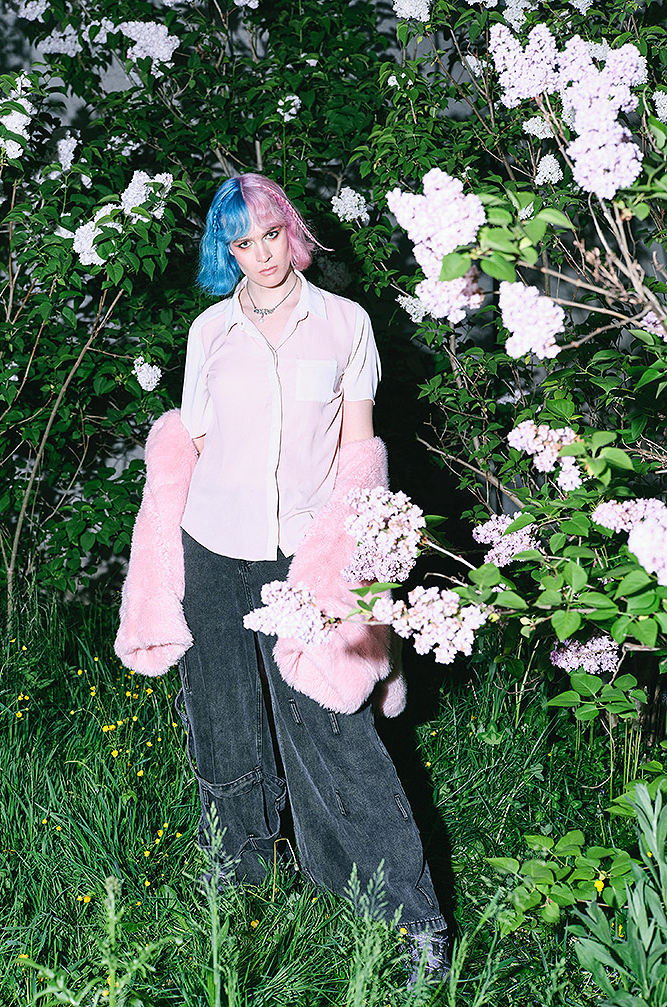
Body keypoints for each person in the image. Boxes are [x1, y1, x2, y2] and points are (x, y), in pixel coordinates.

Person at [115, 173, 448, 979]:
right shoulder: (209, 332)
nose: (260, 255)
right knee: (224, 727)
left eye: (270, 235)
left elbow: (361, 452)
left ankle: (414, 923)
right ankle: (244, 898)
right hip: (213, 545)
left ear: (291, 232)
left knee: (336, 732)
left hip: (305, 554)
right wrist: (158, 557)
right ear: (224, 251)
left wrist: (353, 564)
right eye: (241, 243)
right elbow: (184, 443)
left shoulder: (345, 324)